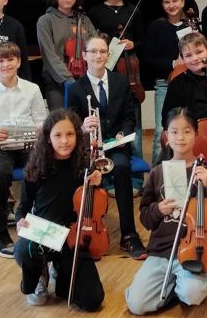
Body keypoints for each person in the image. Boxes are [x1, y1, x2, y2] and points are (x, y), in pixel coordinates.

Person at [124, 108, 207, 314]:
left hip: (195, 249)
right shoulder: (157, 172)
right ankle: (173, 286)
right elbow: (145, 218)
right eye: (174, 132)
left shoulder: (206, 172)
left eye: (187, 131)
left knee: (191, 295)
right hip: (161, 250)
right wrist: (158, 209)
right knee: (136, 305)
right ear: (166, 136)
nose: (180, 137)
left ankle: (179, 286)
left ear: (196, 134)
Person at [14, 109, 105, 310]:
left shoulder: (85, 165)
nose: (65, 141)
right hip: (45, 234)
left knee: (92, 300)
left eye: (70, 134)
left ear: (77, 135)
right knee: (24, 250)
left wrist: (97, 183)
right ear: (48, 138)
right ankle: (40, 273)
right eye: (58, 135)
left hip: (73, 239)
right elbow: (23, 208)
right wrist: (20, 220)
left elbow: (95, 203)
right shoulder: (36, 166)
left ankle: (61, 272)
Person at [0, 41, 50, 258]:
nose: (6, 65)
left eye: (10, 60)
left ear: (19, 62)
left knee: (43, 169)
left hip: (28, 145)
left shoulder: (32, 89)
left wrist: (39, 127)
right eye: (1, 61)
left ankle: (38, 223)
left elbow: (42, 121)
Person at [71, 35, 145, 260]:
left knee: (121, 167)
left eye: (102, 51)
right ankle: (83, 231)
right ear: (84, 56)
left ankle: (129, 234)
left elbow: (130, 116)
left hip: (116, 146)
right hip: (88, 148)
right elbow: (69, 123)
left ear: (108, 54)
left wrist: (123, 133)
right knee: (80, 173)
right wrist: (82, 127)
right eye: (93, 51)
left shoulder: (120, 82)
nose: (98, 56)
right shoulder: (75, 88)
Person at [86, 0, 146, 180]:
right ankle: (106, 174)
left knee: (133, 122)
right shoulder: (95, 11)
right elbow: (91, 40)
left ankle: (136, 176)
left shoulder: (133, 10)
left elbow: (143, 40)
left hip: (129, 71)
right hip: (105, 69)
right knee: (107, 121)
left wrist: (133, 43)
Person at [141, 0, 195, 161]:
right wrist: (172, 63)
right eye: (167, 2)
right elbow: (147, 59)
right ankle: (157, 172)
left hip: (188, 83)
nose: (171, 5)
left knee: (188, 127)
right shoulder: (156, 27)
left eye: (175, 1)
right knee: (160, 130)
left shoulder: (191, 27)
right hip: (165, 83)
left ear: (182, 2)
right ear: (162, 4)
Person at [36, 0, 98, 110]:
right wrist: (66, 78)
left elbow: (94, 45)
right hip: (57, 82)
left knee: (84, 120)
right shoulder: (45, 20)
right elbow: (48, 54)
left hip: (83, 79)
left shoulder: (84, 19)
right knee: (61, 119)